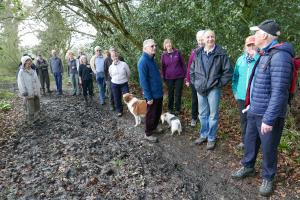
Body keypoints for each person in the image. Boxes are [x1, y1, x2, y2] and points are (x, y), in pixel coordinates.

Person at [231, 20, 294, 197]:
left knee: (268, 147)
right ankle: (248, 166)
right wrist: (250, 103)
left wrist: (269, 118)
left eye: (257, 33)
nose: (255, 36)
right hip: (254, 110)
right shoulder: (265, 53)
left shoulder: (280, 57)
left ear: (265, 35)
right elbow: (258, 83)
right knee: (250, 141)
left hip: (268, 114)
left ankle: (268, 177)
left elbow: (279, 92)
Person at [190, 30, 232, 150]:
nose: (210, 39)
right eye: (207, 37)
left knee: (213, 115)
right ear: (203, 39)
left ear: (215, 38)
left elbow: (228, 72)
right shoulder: (198, 53)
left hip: (213, 89)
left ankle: (211, 138)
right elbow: (192, 70)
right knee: (202, 114)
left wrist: (218, 84)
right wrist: (195, 82)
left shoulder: (221, 54)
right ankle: (204, 135)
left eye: (212, 37)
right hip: (200, 88)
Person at [232, 36, 259, 149]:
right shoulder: (240, 59)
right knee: (244, 120)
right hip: (242, 96)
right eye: (249, 45)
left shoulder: (261, 59)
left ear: (257, 45)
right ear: (245, 46)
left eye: (253, 44)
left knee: (255, 120)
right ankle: (244, 141)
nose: (251, 47)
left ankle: (255, 143)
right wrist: (235, 91)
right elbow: (235, 77)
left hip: (256, 96)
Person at [137, 39, 164, 143]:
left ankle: (154, 127)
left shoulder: (152, 59)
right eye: (152, 46)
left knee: (157, 112)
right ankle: (148, 133)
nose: (154, 48)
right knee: (151, 114)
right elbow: (143, 81)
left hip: (158, 92)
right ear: (145, 48)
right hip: (152, 94)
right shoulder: (143, 61)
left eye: (155, 46)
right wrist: (148, 97)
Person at [185, 30, 206, 127]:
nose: (200, 42)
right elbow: (189, 66)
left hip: (206, 81)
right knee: (195, 99)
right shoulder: (194, 52)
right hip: (195, 81)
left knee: (205, 100)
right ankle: (194, 118)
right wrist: (188, 79)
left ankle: (204, 118)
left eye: (202, 39)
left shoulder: (209, 51)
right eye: (199, 40)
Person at [161, 39, 186, 115]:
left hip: (179, 76)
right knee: (170, 93)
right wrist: (163, 77)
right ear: (165, 46)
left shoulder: (177, 53)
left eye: (169, 43)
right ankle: (170, 108)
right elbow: (163, 67)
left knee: (178, 93)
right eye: (166, 44)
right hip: (169, 77)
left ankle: (177, 109)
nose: (168, 45)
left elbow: (183, 64)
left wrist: (185, 76)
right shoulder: (163, 56)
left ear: (172, 44)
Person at [17, 55, 41, 123]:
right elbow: (20, 83)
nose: (30, 63)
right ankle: (30, 120)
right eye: (28, 62)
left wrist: (38, 88)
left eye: (30, 62)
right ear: (24, 63)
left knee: (36, 104)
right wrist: (24, 91)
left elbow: (37, 81)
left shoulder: (33, 71)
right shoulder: (21, 72)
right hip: (28, 92)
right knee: (30, 106)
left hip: (35, 91)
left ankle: (36, 117)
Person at [109, 49, 130, 117]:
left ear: (118, 56)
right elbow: (111, 75)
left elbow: (128, 73)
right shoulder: (110, 67)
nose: (115, 57)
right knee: (117, 98)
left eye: (116, 56)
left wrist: (125, 79)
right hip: (115, 84)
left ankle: (131, 108)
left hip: (124, 83)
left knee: (127, 96)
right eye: (113, 56)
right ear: (111, 58)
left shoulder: (124, 64)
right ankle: (119, 111)